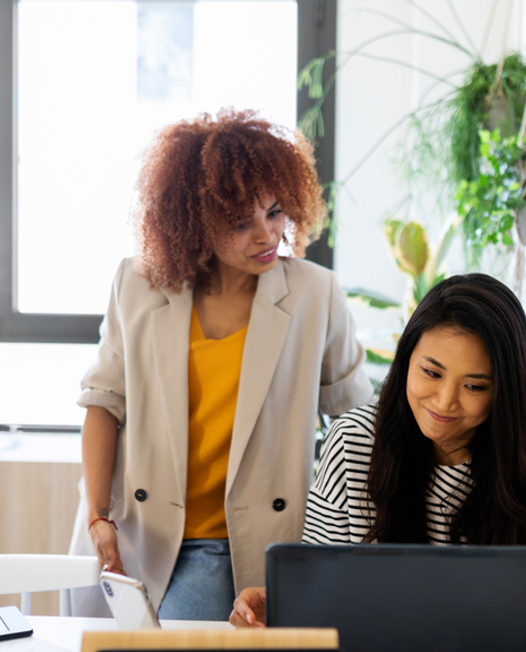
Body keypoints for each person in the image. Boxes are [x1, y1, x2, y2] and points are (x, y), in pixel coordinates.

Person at [67, 108, 373, 621]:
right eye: (240, 223)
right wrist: (99, 517)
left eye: (275, 212)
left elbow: (357, 422)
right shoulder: (137, 286)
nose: (267, 235)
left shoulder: (316, 295)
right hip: (145, 534)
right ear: (194, 221)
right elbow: (103, 404)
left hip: (251, 543)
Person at [230, 273, 526, 651]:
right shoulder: (352, 442)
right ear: (405, 361)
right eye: (431, 373)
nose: (445, 401)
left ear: (505, 389)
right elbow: (322, 589)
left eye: (475, 386)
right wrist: (284, 608)